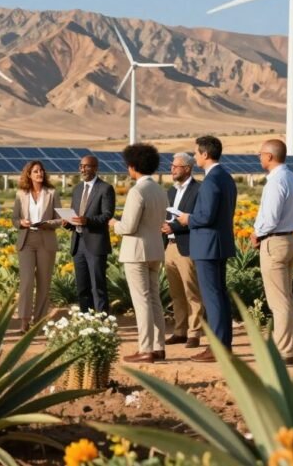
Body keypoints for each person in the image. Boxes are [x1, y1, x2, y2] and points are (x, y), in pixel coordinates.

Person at [177, 135, 237, 362]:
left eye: (195, 153)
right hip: (219, 244)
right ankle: (223, 346)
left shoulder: (211, 180)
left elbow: (206, 216)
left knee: (212, 298)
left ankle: (218, 348)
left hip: (208, 246)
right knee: (219, 296)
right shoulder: (226, 177)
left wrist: (187, 219)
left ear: (205, 154)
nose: (194, 157)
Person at [110, 144, 169, 363]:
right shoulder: (160, 190)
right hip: (155, 249)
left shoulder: (137, 191)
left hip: (136, 252)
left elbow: (128, 226)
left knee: (142, 300)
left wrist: (113, 224)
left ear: (133, 166)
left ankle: (146, 349)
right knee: (154, 299)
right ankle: (158, 347)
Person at [251, 139, 293, 364]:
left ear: (270, 156)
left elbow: (270, 218)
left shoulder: (275, 182)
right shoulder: (291, 178)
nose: (259, 157)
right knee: (286, 298)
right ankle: (286, 347)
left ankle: (283, 353)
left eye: (261, 154)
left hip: (274, 242)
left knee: (278, 302)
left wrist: (256, 233)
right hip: (289, 240)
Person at [160, 152, 204, 348]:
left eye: (176, 167)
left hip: (187, 247)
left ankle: (194, 333)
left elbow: (197, 217)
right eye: (171, 166)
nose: (172, 170)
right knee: (176, 293)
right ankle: (180, 331)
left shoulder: (198, 190)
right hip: (169, 246)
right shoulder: (170, 191)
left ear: (187, 169)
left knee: (191, 291)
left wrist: (175, 227)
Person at [12, 160, 61, 332]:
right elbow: (14, 219)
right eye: (35, 171)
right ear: (29, 174)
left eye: (41, 170)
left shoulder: (52, 193)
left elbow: (59, 219)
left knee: (44, 282)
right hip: (26, 240)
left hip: (46, 239)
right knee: (26, 281)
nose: (39, 173)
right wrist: (21, 223)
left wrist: (47, 224)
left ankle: (39, 322)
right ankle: (24, 321)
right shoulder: (21, 194)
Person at [68, 155, 116, 313]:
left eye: (86, 166)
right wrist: (68, 222)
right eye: (81, 166)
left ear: (95, 168)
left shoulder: (105, 188)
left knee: (97, 287)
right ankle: (86, 319)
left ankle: (102, 321)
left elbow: (107, 215)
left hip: (95, 243)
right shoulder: (77, 189)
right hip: (78, 243)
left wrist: (87, 221)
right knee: (82, 287)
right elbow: (74, 214)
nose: (82, 169)